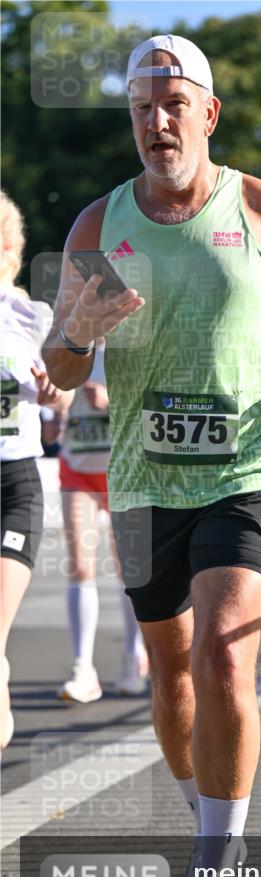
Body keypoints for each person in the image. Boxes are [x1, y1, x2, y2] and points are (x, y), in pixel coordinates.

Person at [42, 34, 261, 877]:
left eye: (173, 105)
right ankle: (204, 827)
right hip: (142, 479)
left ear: (207, 113)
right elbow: (62, 368)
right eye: (141, 109)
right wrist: (78, 335)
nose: (157, 123)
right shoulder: (99, 225)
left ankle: (218, 876)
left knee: (221, 656)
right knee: (171, 676)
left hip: (247, 469)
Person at [0, 190, 74, 751]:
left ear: (7, 248)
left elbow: (64, 397)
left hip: (14, 486)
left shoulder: (31, 316)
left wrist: (55, 394)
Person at [55, 344, 149, 703]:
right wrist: (53, 415)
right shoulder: (68, 342)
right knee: (80, 566)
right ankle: (83, 668)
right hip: (78, 468)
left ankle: (133, 656)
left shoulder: (133, 345)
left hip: (125, 471)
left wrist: (111, 401)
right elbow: (51, 405)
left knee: (129, 570)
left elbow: (155, 403)